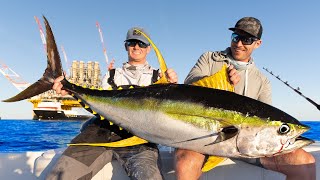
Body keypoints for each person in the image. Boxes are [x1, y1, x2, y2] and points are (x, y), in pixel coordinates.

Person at [174, 17, 316, 180]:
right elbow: (189, 83)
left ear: (258, 43)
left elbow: (266, 122)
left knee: (304, 162)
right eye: (236, 37)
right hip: (207, 137)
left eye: (247, 39)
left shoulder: (262, 81)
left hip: (248, 147)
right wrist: (218, 80)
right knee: (186, 162)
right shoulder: (209, 58)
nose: (239, 44)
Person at [47, 27, 178, 180]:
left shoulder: (160, 78)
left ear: (148, 49)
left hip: (139, 139)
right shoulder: (111, 75)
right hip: (99, 133)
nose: (136, 47)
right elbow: (100, 106)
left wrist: (172, 87)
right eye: (132, 43)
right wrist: (69, 90)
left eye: (141, 44)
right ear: (126, 46)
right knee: (59, 176)